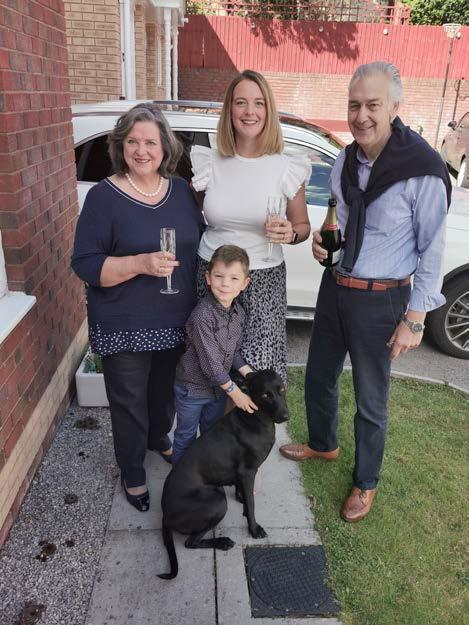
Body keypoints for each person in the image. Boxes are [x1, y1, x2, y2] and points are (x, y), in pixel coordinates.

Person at [280, 62, 451, 522]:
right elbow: (342, 222)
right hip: (336, 286)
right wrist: (322, 244)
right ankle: (323, 444)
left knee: (370, 398)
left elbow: (432, 250)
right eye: (354, 105)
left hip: (382, 298)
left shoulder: (423, 170)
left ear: (395, 107)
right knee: (319, 375)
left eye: (373, 105)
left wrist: (415, 319)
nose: (361, 116)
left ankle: (366, 481)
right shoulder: (346, 160)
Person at [72, 103, 203, 512]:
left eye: (150, 142)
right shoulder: (103, 197)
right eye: (132, 141)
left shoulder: (181, 191)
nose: (141, 150)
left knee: (163, 394)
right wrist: (139, 264)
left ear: (165, 147)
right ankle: (132, 471)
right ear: (120, 146)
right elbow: (85, 264)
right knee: (129, 403)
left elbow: (198, 244)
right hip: (123, 320)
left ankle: (158, 437)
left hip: (175, 316)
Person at [191, 69, 311, 385]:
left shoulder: (286, 167)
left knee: (258, 371)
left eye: (259, 103)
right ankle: (210, 419)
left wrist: (291, 233)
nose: (249, 111)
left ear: (268, 111)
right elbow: (191, 215)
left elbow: (302, 226)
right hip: (212, 275)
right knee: (211, 365)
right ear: (229, 110)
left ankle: (252, 420)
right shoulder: (209, 162)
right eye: (240, 102)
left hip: (264, 278)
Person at [172, 245, 257, 464]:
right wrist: (236, 393)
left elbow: (233, 352)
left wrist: (250, 375)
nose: (225, 284)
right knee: (185, 436)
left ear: (245, 283)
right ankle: (180, 479)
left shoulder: (238, 314)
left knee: (211, 435)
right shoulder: (202, 316)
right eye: (219, 276)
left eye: (234, 278)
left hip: (218, 392)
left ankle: (204, 474)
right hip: (192, 389)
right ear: (208, 278)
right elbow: (211, 364)